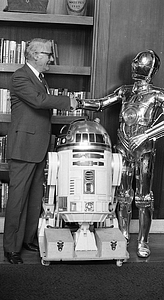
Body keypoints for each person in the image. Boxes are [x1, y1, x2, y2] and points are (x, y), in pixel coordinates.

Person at [76, 50, 164, 258]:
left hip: (144, 149)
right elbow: (100, 104)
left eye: (140, 62)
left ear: (151, 68)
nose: (135, 65)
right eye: (135, 62)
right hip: (123, 146)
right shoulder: (125, 91)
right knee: (123, 196)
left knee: (144, 197)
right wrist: (77, 102)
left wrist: (145, 136)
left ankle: (143, 241)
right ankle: (123, 235)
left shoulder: (158, 95)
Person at [3, 38, 78, 264]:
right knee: (17, 200)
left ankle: (27, 240)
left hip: (38, 148)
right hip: (24, 149)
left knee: (34, 199)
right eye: (48, 54)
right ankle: (11, 248)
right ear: (35, 54)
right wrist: (68, 102)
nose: (51, 59)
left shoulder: (40, 79)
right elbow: (38, 101)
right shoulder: (20, 77)